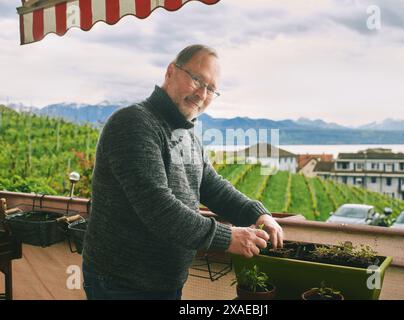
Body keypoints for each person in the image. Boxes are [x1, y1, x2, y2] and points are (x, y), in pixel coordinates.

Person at [82, 44, 284, 300]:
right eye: (197, 79)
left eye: (211, 89)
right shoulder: (133, 123)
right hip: (122, 281)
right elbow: (158, 208)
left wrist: (256, 213)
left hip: (165, 278)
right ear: (170, 72)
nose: (202, 93)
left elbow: (211, 186)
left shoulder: (188, 133)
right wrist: (227, 237)